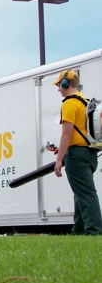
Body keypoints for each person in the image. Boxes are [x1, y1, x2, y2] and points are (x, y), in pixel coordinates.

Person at [53, 70, 102, 235]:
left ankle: (94, 232)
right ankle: (79, 231)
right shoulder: (85, 101)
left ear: (65, 84)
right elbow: (79, 132)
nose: (58, 89)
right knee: (80, 194)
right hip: (89, 154)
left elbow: (67, 133)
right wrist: (62, 148)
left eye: (59, 85)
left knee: (86, 194)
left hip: (77, 157)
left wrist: (59, 160)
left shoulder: (68, 104)